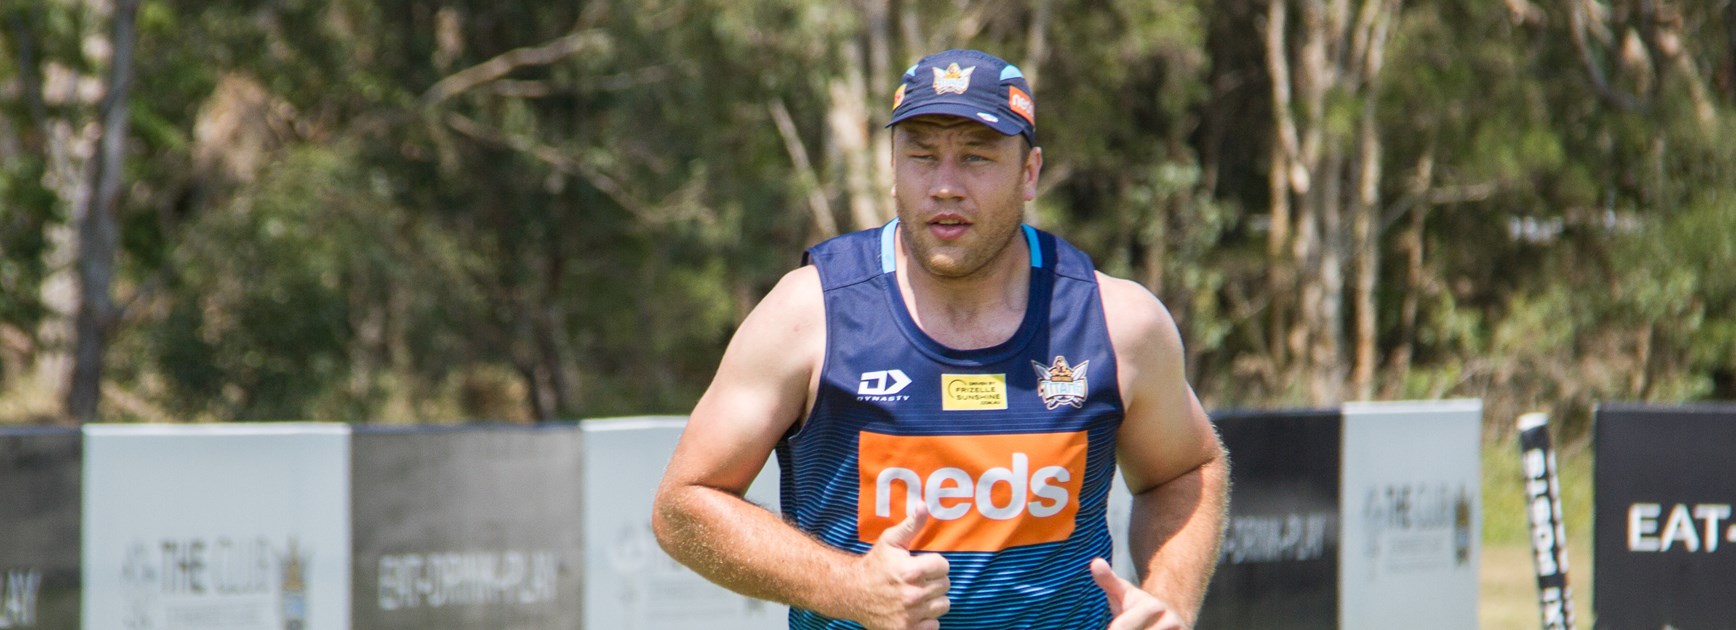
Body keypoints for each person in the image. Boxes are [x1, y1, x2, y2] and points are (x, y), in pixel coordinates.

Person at [652, 48, 1229, 630]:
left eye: (977, 157)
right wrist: (845, 587)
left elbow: (1186, 471)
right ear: (893, 168)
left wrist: (1168, 602)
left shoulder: (1116, 322)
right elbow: (683, 506)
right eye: (922, 156)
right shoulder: (809, 314)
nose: (945, 186)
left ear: (1029, 173)